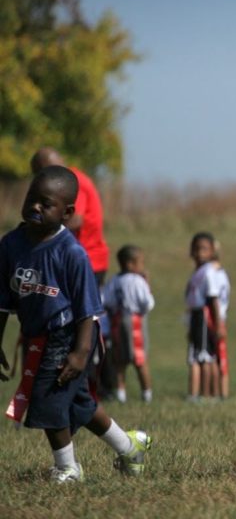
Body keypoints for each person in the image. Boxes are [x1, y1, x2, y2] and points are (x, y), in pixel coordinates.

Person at [0, 165, 150, 482]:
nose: (35, 207)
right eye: (31, 199)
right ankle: (129, 446)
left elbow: (88, 311)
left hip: (69, 336)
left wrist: (81, 353)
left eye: (46, 203)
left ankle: (68, 468)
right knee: (80, 404)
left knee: (48, 400)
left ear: (67, 213)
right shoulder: (11, 245)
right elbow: (2, 300)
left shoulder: (71, 252)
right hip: (36, 335)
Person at [30, 148, 115, 399]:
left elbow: (76, 219)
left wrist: (40, 227)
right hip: (72, 259)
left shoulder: (72, 182)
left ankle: (100, 386)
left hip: (88, 260)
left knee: (87, 322)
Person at [102, 245, 156, 403]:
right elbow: (147, 303)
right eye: (141, 262)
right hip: (135, 321)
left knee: (120, 360)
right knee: (140, 359)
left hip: (117, 321)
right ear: (130, 264)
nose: (142, 266)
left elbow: (106, 300)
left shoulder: (114, 280)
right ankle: (147, 394)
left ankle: (121, 393)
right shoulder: (137, 281)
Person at [184, 232, 230, 401]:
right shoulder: (200, 271)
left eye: (204, 249)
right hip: (197, 315)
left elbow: (213, 298)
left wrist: (218, 324)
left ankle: (205, 394)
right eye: (196, 249)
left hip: (205, 315)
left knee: (204, 357)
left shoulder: (209, 272)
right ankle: (202, 394)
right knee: (198, 356)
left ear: (212, 251)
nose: (199, 253)